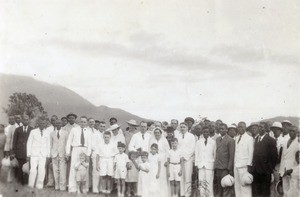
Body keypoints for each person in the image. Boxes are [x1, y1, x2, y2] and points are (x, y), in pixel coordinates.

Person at [66, 116, 92, 193]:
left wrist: (88, 154)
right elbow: (69, 141)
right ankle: (72, 188)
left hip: (85, 149)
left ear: (86, 123)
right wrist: (68, 153)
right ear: (79, 122)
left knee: (84, 168)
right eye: (81, 121)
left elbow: (90, 143)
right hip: (76, 149)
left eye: (84, 122)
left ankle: (84, 188)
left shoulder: (89, 131)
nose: (83, 123)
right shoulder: (74, 129)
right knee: (74, 167)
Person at [252, 122, 278, 197]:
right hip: (256, 170)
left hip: (265, 172)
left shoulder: (271, 140)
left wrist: (269, 169)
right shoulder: (256, 139)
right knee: (257, 191)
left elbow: (274, 156)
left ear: (266, 129)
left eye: (262, 127)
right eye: (259, 127)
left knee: (265, 192)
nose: (260, 128)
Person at [27, 117, 50, 189]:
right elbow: (29, 143)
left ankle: (39, 185)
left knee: (42, 170)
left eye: (44, 123)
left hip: (43, 154)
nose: (42, 125)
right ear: (38, 124)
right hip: (34, 154)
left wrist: (48, 155)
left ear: (45, 124)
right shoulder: (33, 132)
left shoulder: (47, 132)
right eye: (41, 123)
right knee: (33, 170)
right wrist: (28, 154)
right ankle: (30, 185)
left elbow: (48, 144)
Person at [175, 122, 196, 197]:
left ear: (187, 128)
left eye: (184, 127)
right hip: (179, 159)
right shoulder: (177, 136)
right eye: (181, 127)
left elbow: (192, 148)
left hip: (188, 159)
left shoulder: (191, 136)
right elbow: (176, 146)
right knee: (180, 176)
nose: (182, 128)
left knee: (187, 176)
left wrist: (185, 157)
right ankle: (182, 193)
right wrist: (179, 157)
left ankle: (187, 194)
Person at [214, 123, 235, 197]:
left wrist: (229, 169)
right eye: (220, 128)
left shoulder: (230, 140)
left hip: (225, 168)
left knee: (226, 187)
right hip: (218, 167)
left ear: (226, 130)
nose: (221, 130)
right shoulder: (217, 139)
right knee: (219, 187)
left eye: (223, 128)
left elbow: (231, 155)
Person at [234, 122, 254, 197]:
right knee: (237, 186)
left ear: (245, 128)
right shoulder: (236, 138)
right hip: (236, 165)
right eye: (239, 127)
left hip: (244, 166)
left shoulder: (249, 138)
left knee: (245, 185)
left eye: (242, 127)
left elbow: (250, 152)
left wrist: (249, 165)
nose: (241, 128)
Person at [195, 126, 216, 197]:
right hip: (201, 165)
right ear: (202, 133)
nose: (205, 133)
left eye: (207, 132)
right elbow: (196, 154)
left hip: (210, 165)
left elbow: (215, 154)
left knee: (209, 183)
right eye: (204, 132)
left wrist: (214, 164)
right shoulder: (198, 142)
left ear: (209, 133)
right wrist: (196, 164)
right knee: (201, 182)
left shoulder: (213, 142)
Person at [12, 115, 32, 185]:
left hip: (28, 153)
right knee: (20, 168)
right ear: (22, 120)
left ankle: (26, 183)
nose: (25, 121)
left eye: (27, 120)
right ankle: (19, 183)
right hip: (19, 152)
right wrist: (13, 152)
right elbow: (14, 141)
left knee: (27, 168)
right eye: (24, 120)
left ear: (29, 121)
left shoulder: (32, 130)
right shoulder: (18, 129)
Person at [279, 125, 299, 196]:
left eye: (293, 131)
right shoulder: (285, 142)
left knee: (293, 191)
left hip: (293, 171)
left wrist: (293, 169)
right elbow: (282, 158)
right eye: (290, 131)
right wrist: (281, 170)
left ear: (296, 132)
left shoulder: (298, 143)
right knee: (285, 191)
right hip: (284, 170)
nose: (291, 132)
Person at [50, 119, 68, 191]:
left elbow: (67, 144)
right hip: (54, 154)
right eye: (57, 123)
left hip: (62, 154)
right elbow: (50, 145)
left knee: (62, 171)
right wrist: (51, 153)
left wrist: (67, 154)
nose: (58, 124)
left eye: (59, 123)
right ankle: (57, 186)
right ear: (55, 124)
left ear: (62, 124)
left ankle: (62, 187)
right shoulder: (52, 133)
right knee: (55, 170)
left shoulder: (65, 133)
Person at [89, 118, 103, 193]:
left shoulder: (105, 134)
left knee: (102, 172)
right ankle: (95, 189)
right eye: (101, 126)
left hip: (103, 156)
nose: (102, 128)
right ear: (98, 126)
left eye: (104, 126)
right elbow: (92, 145)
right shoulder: (94, 134)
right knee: (96, 172)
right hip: (95, 154)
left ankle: (100, 187)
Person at [45, 115, 58, 187]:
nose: (54, 122)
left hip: (58, 151)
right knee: (50, 166)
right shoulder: (48, 129)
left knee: (57, 167)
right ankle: (50, 182)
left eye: (55, 120)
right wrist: (49, 153)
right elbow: (48, 142)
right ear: (50, 121)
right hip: (50, 150)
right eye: (52, 120)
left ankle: (57, 182)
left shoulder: (60, 128)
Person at [4, 116, 16, 183]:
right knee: (11, 163)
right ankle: (10, 178)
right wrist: (7, 150)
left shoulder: (19, 126)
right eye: (10, 119)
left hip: (19, 148)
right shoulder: (7, 128)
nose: (12, 120)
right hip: (12, 148)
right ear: (8, 120)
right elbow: (8, 139)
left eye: (13, 119)